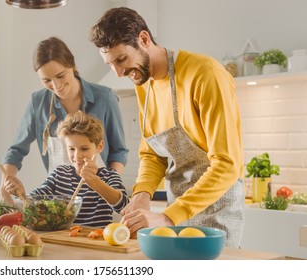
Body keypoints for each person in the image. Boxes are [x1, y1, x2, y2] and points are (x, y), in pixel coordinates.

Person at [89, 7, 245, 247]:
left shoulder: (205, 74)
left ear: (144, 39)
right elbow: (152, 154)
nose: (118, 73)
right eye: (110, 64)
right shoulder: (144, 84)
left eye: (121, 59)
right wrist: (142, 195)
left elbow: (228, 164)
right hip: (176, 215)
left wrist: (166, 216)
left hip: (217, 213)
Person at [1, 37, 128, 198]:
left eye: (60, 75)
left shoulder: (105, 97)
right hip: (58, 201)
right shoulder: (38, 102)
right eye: (46, 80)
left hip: (100, 198)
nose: (56, 85)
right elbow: (16, 151)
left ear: (72, 66)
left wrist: (108, 188)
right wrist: (4, 189)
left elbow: (118, 151)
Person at [1, 111, 129, 227]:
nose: (77, 156)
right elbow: (35, 201)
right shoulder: (60, 174)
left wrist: (94, 181)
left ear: (99, 147)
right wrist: (22, 194)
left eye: (84, 149)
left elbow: (123, 205)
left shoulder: (109, 176)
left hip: (96, 241)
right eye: (71, 149)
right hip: (64, 241)